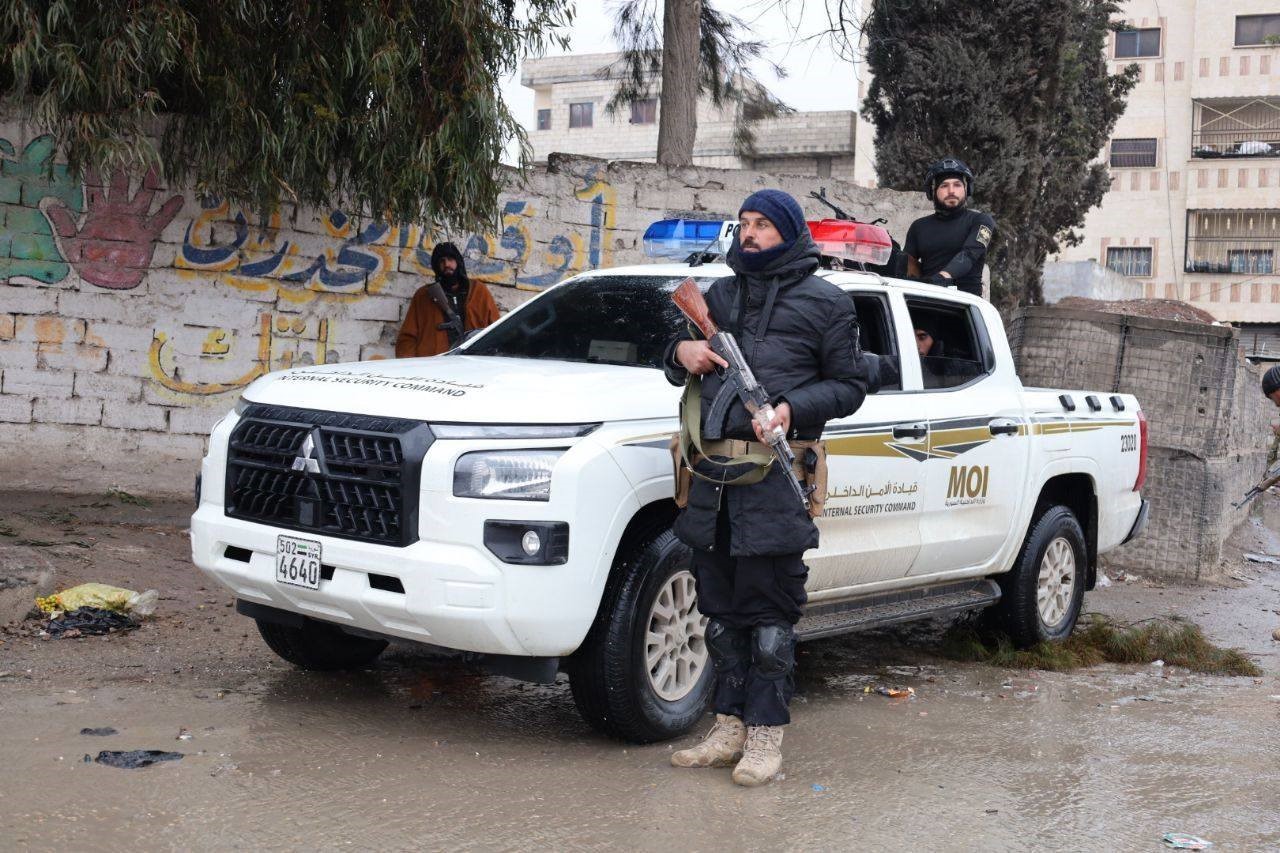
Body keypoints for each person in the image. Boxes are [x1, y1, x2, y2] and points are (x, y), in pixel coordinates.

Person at [663, 189, 870, 787]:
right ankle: (726, 727)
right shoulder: (719, 294)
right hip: (713, 482)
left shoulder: (827, 304)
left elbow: (850, 387)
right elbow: (665, 356)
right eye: (745, 223)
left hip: (776, 481)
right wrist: (684, 351)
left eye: (763, 226)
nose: (750, 234)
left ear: (788, 233)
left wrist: (788, 408)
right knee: (720, 617)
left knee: (771, 623)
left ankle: (765, 738)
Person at [903, 158, 996, 298]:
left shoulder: (981, 221)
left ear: (967, 189)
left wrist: (941, 278)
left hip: (966, 306)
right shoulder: (918, 227)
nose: (951, 191)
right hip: (925, 301)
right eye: (944, 186)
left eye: (957, 185)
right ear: (932, 192)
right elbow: (906, 266)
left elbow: (969, 254)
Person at [395, 242, 500, 357]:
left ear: (458, 262)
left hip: (471, 367)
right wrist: (411, 367)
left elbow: (497, 330)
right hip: (433, 367)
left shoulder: (479, 292)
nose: (446, 264)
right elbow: (407, 339)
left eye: (450, 259)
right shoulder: (423, 296)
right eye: (441, 261)